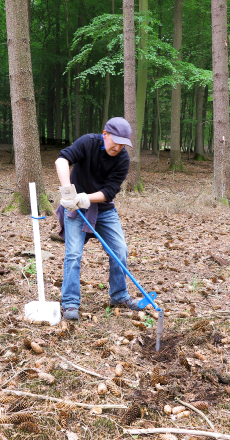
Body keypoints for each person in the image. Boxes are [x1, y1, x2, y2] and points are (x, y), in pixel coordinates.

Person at [54, 117, 144, 321]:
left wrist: (85, 198)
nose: (119, 147)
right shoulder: (87, 142)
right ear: (105, 134)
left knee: (120, 250)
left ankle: (119, 296)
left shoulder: (123, 160)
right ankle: (70, 303)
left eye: (124, 143)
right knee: (73, 254)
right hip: (75, 209)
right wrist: (69, 193)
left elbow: (110, 191)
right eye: (116, 141)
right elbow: (62, 160)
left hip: (104, 210)